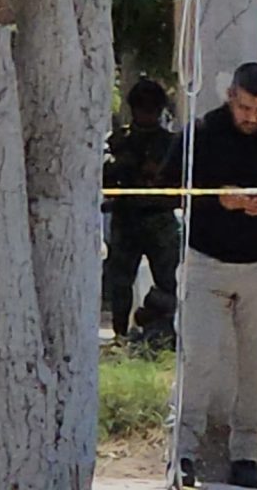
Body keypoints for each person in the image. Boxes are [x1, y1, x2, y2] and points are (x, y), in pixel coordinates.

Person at [162, 62, 257, 488]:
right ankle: (181, 454)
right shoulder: (200, 134)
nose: (252, 117)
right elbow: (166, 189)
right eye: (245, 107)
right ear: (230, 96)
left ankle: (247, 455)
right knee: (197, 359)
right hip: (204, 264)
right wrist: (217, 198)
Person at [102, 79, 181, 343]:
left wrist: (158, 176)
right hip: (127, 217)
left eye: (152, 109)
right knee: (120, 283)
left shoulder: (170, 143)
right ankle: (120, 334)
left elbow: (180, 181)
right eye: (142, 109)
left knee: (170, 281)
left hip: (160, 218)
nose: (147, 115)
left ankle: (167, 332)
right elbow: (105, 177)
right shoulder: (120, 141)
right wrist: (123, 164)